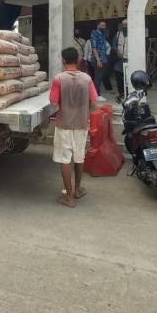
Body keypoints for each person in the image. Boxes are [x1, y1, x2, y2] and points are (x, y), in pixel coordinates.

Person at [49, 47, 99, 208]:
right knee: (79, 156)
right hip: (82, 123)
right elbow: (94, 103)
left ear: (63, 61)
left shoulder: (58, 79)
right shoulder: (87, 79)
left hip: (64, 124)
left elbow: (53, 103)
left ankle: (68, 196)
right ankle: (77, 189)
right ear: (78, 60)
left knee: (65, 159)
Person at [89, 20, 109, 101]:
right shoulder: (94, 33)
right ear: (98, 26)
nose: (104, 27)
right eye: (102, 25)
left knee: (100, 76)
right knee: (98, 77)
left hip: (103, 59)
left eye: (105, 25)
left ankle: (93, 93)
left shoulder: (103, 34)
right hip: (97, 59)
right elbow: (94, 48)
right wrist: (98, 60)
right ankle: (96, 95)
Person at [113, 20, 128, 103]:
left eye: (126, 25)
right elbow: (114, 44)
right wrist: (116, 51)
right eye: (123, 25)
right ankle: (121, 93)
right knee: (118, 76)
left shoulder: (133, 34)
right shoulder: (118, 34)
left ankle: (128, 93)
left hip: (129, 60)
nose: (124, 26)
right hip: (119, 60)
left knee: (127, 77)